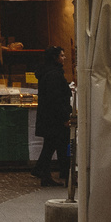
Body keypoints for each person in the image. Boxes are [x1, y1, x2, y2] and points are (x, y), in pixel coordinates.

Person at [32, 46, 71, 186]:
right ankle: (44, 170)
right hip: (54, 119)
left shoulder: (48, 73)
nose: (64, 58)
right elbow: (56, 98)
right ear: (55, 58)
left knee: (51, 145)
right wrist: (65, 116)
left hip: (49, 117)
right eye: (61, 55)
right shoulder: (53, 75)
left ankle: (45, 173)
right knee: (56, 145)